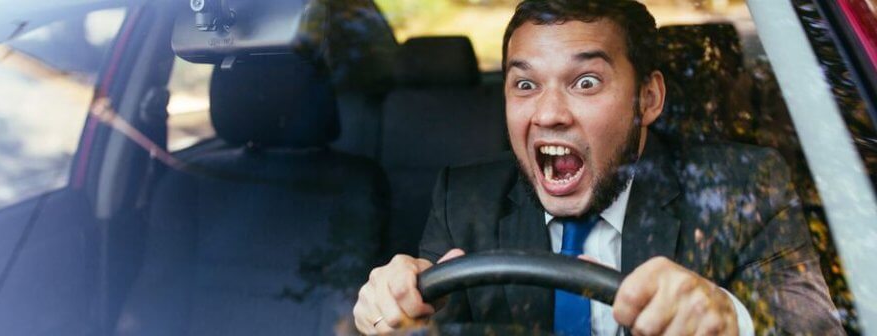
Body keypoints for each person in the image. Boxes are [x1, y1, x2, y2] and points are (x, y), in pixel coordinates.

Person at [352, 0, 843, 335]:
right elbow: (429, 324)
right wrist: (392, 310)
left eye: (585, 82)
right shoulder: (464, 200)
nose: (547, 114)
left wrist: (731, 318)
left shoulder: (742, 189)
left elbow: (812, 325)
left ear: (647, 98)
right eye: (525, 85)